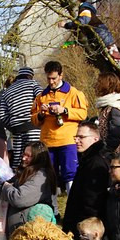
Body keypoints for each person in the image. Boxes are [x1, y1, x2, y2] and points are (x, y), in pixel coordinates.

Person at [0, 141, 58, 237]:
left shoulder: (41, 176)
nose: (24, 158)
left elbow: (19, 198)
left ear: (38, 158)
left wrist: (7, 186)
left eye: (29, 156)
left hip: (32, 236)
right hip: (18, 235)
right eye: (24, 154)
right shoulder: (23, 174)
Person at [31, 60, 88, 192]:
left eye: (54, 78)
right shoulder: (41, 97)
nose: (51, 82)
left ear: (61, 75)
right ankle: (51, 207)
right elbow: (34, 120)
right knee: (48, 175)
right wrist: (41, 114)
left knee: (70, 173)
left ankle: (72, 204)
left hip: (67, 140)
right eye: (48, 78)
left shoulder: (74, 93)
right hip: (48, 142)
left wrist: (65, 111)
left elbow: (83, 114)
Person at [61, 121, 109, 233]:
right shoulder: (87, 159)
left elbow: (92, 201)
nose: (77, 140)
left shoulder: (96, 162)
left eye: (81, 137)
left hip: (88, 229)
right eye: (76, 137)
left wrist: (82, 230)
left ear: (95, 139)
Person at [0, 67, 43, 170]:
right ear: (30, 76)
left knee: (19, 161)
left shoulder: (7, 91)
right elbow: (43, 99)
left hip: (16, 130)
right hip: (33, 127)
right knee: (35, 159)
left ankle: (15, 183)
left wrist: (13, 127)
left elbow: (2, 116)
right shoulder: (33, 84)